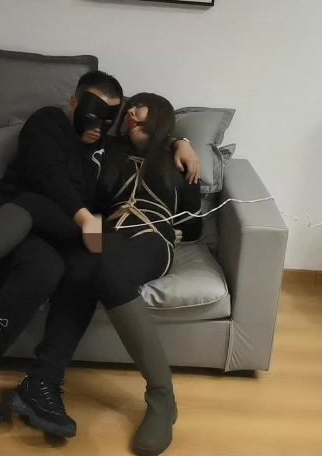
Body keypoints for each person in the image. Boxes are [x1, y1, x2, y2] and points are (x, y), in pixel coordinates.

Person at [0, 71, 201, 435]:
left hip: (72, 238)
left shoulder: (120, 153)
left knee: (70, 265)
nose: (102, 127)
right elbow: (50, 177)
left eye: (115, 119)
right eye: (120, 115)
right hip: (4, 229)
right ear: (73, 103)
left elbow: (191, 218)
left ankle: (41, 383)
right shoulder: (53, 125)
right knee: (42, 239)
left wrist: (179, 141)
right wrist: (89, 221)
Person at [93, 93, 202, 456]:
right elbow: (91, 203)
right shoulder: (109, 151)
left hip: (153, 237)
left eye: (138, 108)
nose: (130, 114)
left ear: (157, 115)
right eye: (128, 110)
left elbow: (195, 222)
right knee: (86, 268)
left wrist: (179, 141)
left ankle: (160, 394)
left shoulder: (177, 158)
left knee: (109, 274)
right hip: (106, 233)